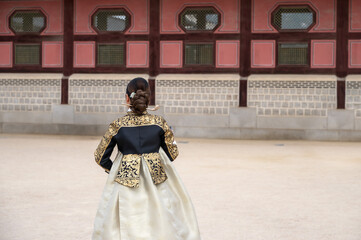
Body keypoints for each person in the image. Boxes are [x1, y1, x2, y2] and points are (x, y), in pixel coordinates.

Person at [92, 77, 201, 240]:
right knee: (162, 218)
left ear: (127, 98)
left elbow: (100, 156)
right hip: (156, 179)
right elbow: (173, 152)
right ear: (148, 97)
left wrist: (116, 168)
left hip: (125, 181)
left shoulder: (117, 125)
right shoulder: (159, 123)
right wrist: (154, 158)